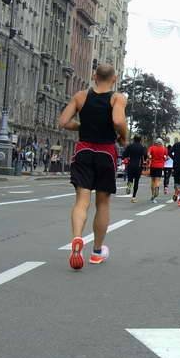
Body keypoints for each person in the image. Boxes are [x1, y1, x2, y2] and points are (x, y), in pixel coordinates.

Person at [59, 63, 128, 268]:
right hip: (105, 152)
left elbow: (63, 121)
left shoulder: (81, 96)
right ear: (114, 79)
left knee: (82, 200)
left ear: (94, 76)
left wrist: (81, 125)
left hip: (84, 150)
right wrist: (124, 136)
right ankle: (97, 251)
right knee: (103, 203)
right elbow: (117, 120)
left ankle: (77, 237)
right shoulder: (117, 98)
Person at [121, 135, 147, 204]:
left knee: (130, 179)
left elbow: (124, 155)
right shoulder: (142, 147)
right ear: (140, 140)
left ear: (134, 139)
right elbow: (145, 155)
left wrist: (126, 158)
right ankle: (133, 197)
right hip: (138, 166)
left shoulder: (130, 146)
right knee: (136, 181)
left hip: (130, 165)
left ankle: (129, 187)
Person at [146, 138, 168, 202]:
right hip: (160, 166)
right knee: (157, 180)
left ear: (156, 142)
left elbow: (148, 154)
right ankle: (157, 188)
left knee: (152, 180)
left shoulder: (152, 148)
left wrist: (150, 157)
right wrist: (163, 159)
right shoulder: (164, 149)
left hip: (153, 165)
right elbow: (166, 157)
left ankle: (153, 195)